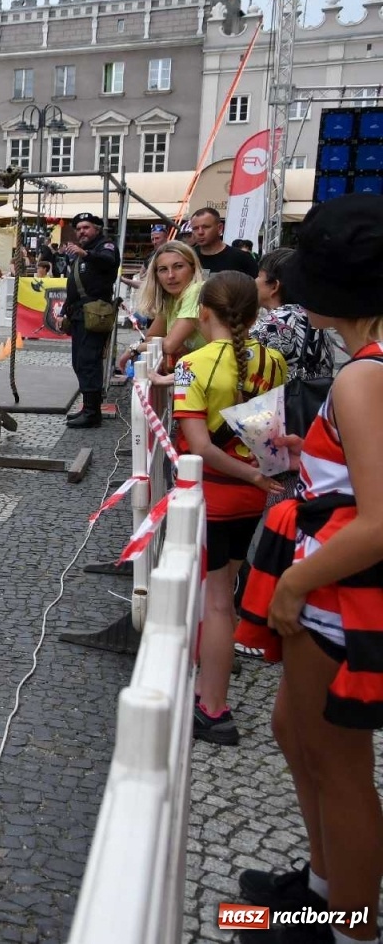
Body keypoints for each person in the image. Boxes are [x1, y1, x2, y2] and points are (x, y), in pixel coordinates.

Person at [234, 195, 383, 940]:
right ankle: (324, 889)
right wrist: (311, 454)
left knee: (340, 766)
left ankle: (349, 926)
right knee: (297, 734)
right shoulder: (367, 369)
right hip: (335, 589)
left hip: (334, 596)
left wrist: (293, 584)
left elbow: (381, 519)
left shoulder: (364, 376)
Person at [164, 271, 287, 745]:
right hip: (252, 492)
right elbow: (265, 435)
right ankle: (207, 672)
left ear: (204, 314)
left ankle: (212, 705)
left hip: (214, 488)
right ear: (255, 315)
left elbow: (197, 445)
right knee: (226, 585)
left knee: (215, 598)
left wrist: (249, 475)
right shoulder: (273, 360)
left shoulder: (194, 364)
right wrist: (257, 476)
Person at [60, 213, 120, 428]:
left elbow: (108, 261)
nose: (81, 232)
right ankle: (88, 408)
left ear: (96, 228)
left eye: (85, 228)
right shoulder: (81, 254)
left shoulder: (105, 246)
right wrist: (63, 312)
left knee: (89, 362)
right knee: (79, 362)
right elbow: (74, 287)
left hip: (95, 313)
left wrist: (85, 253)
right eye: (78, 229)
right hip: (79, 313)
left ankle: (93, 413)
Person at [118, 241, 206, 376]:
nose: (170, 275)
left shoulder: (196, 290)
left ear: (193, 268)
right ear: (156, 275)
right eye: (163, 269)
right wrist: (173, 346)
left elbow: (169, 344)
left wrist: (135, 348)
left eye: (178, 266)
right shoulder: (171, 297)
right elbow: (152, 337)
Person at [252, 246, 335, 382]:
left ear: (274, 286)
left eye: (259, 276)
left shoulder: (276, 322)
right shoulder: (312, 318)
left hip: (283, 401)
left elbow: (236, 358)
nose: (254, 281)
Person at [122, 225, 172, 330]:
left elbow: (146, 282)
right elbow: (142, 275)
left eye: (157, 238)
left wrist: (124, 280)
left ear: (166, 237)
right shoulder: (152, 255)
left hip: (167, 303)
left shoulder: (171, 253)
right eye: (152, 239)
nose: (154, 242)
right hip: (153, 304)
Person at [189, 207, 259, 277]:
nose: (200, 232)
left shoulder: (242, 258)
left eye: (206, 227)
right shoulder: (188, 257)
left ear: (220, 228)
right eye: (195, 228)